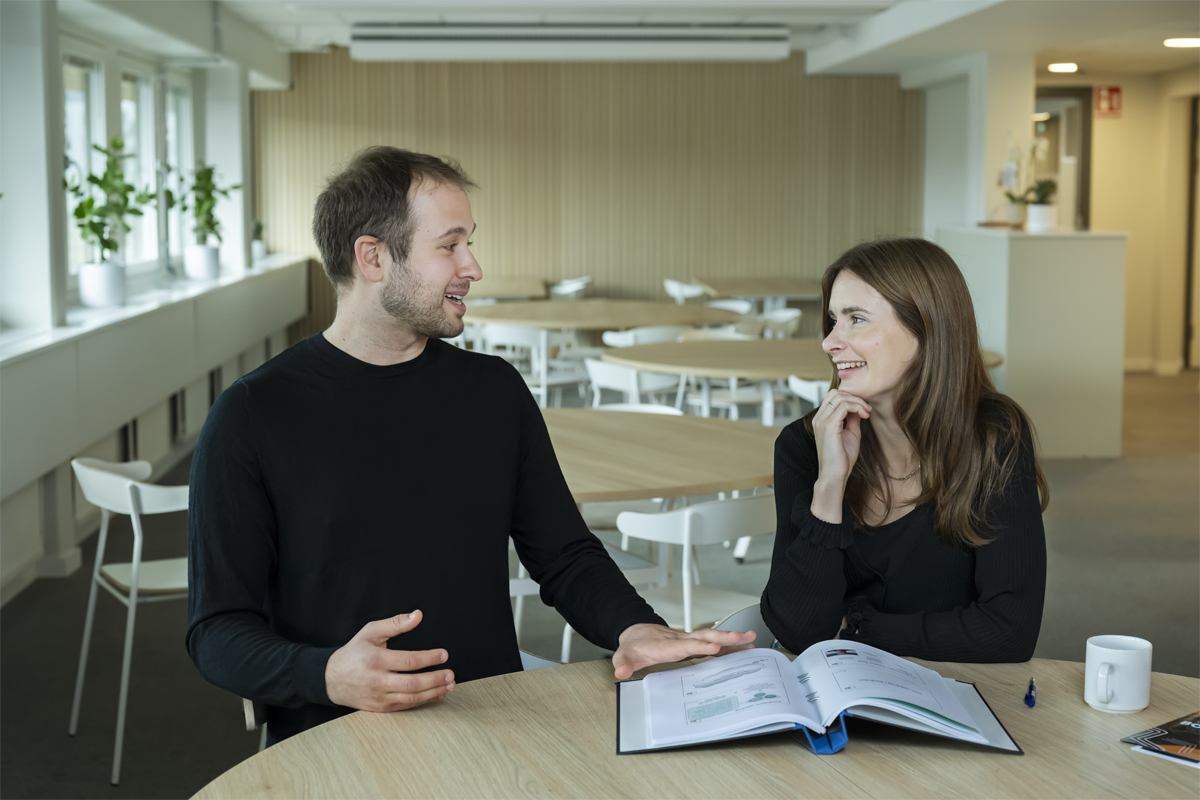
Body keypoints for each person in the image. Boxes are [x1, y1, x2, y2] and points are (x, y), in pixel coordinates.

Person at [186, 146, 753, 743]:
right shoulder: (253, 414)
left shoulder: (494, 390)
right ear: (373, 257)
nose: (473, 267)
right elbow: (217, 631)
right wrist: (326, 673)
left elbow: (563, 554)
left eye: (470, 242)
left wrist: (634, 626)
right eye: (450, 245)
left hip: (491, 721)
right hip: (336, 736)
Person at [761, 238, 1048, 662]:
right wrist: (829, 487)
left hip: (953, 699)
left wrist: (857, 628)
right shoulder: (805, 445)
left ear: (926, 327)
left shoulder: (993, 436)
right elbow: (797, 628)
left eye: (856, 319)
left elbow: (1009, 631)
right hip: (840, 700)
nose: (830, 342)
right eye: (833, 320)